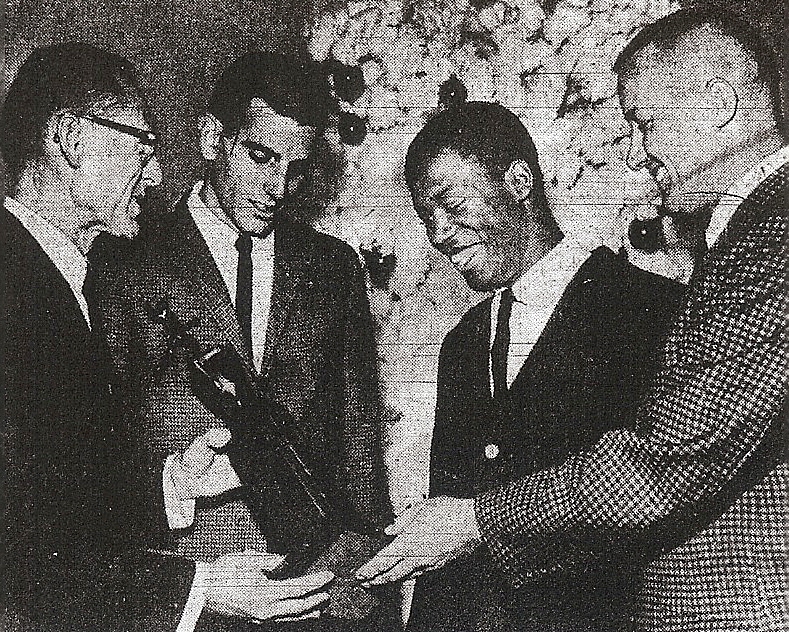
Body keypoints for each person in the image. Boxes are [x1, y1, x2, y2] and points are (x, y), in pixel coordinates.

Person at [357, 8, 788, 631]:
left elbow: (670, 461)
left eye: (644, 125)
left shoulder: (768, 239)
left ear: (719, 106)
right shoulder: (746, 240)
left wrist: (480, 518)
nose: (637, 158)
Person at [0, 43, 333, 632]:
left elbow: (59, 496)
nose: (154, 175)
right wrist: (197, 590)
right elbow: (22, 552)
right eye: (142, 145)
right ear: (72, 140)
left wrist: (173, 482)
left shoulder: (54, 282)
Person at [92, 51, 393, 628]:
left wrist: (365, 600)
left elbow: (357, 447)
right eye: (261, 157)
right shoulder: (122, 262)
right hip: (191, 590)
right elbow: (101, 449)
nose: (277, 186)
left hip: (316, 593)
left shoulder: (332, 270)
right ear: (212, 139)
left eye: (297, 168)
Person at [381, 101, 683, 631]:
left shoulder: (650, 308)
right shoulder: (461, 345)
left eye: (450, 204)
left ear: (519, 180)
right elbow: (443, 546)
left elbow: (656, 497)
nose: (439, 232)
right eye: (427, 219)